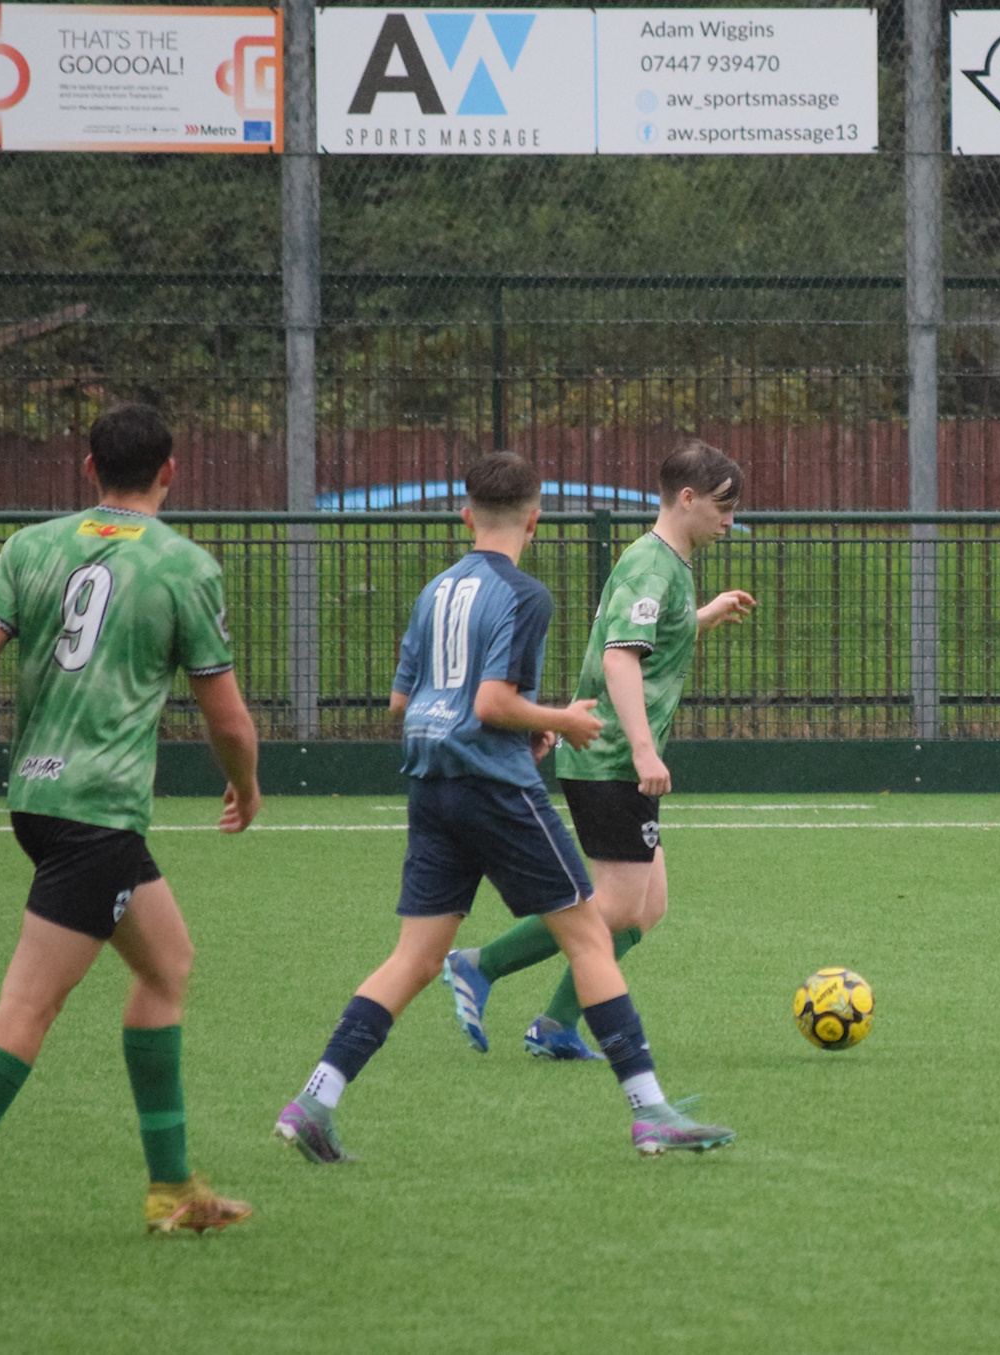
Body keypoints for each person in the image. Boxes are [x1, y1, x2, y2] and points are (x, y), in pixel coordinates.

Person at [0, 403, 263, 1246]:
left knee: (167, 964)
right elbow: (225, 716)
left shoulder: (32, 546)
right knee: (27, 1007)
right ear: (171, 471)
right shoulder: (185, 566)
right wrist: (245, 786)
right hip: (97, 814)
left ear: (87, 469)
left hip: (38, 804)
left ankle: (170, 1187)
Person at [272, 450, 734, 1161]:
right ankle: (651, 1112)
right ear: (535, 517)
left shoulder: (436, 590)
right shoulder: (524, 595)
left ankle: (315, 1098)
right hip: (493, 784)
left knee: (414, 958)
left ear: (463, 514)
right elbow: (490, 702)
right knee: (590, 934)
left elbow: (404, 699)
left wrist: (529, 722)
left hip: (430, 785)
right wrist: (562, 719)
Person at [439, 440, 753, 1062]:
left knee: (644, 910)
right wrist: (642, 751)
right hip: (608, 759)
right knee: (611, 906)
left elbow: (645, 634)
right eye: (723, 506)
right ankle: (480, 965)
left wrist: (701, 617)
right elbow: (619, 659)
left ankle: (556, 1026)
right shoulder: (649, 564)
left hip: (610, 759)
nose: (730, 521)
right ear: (686, 499)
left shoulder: (665, 564)